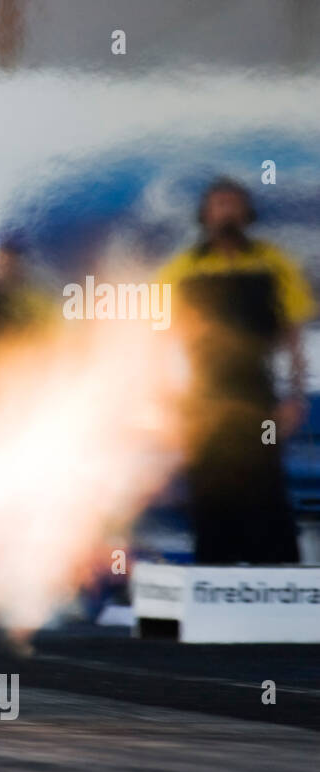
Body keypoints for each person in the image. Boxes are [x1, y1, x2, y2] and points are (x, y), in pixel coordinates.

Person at [157, 177, 314, 564]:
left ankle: (276, 582)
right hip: (203, 397)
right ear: (205, 214)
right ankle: (213, 578)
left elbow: (294, 338)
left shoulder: (274, 265)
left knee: (265, 488)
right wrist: (170, 407)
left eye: (234, 203)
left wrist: (294, 398)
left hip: (256, 395)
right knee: (210, 490)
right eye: (219, 204)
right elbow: (160, 346)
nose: (227, 211)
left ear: (246, 212)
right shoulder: (181, 271)